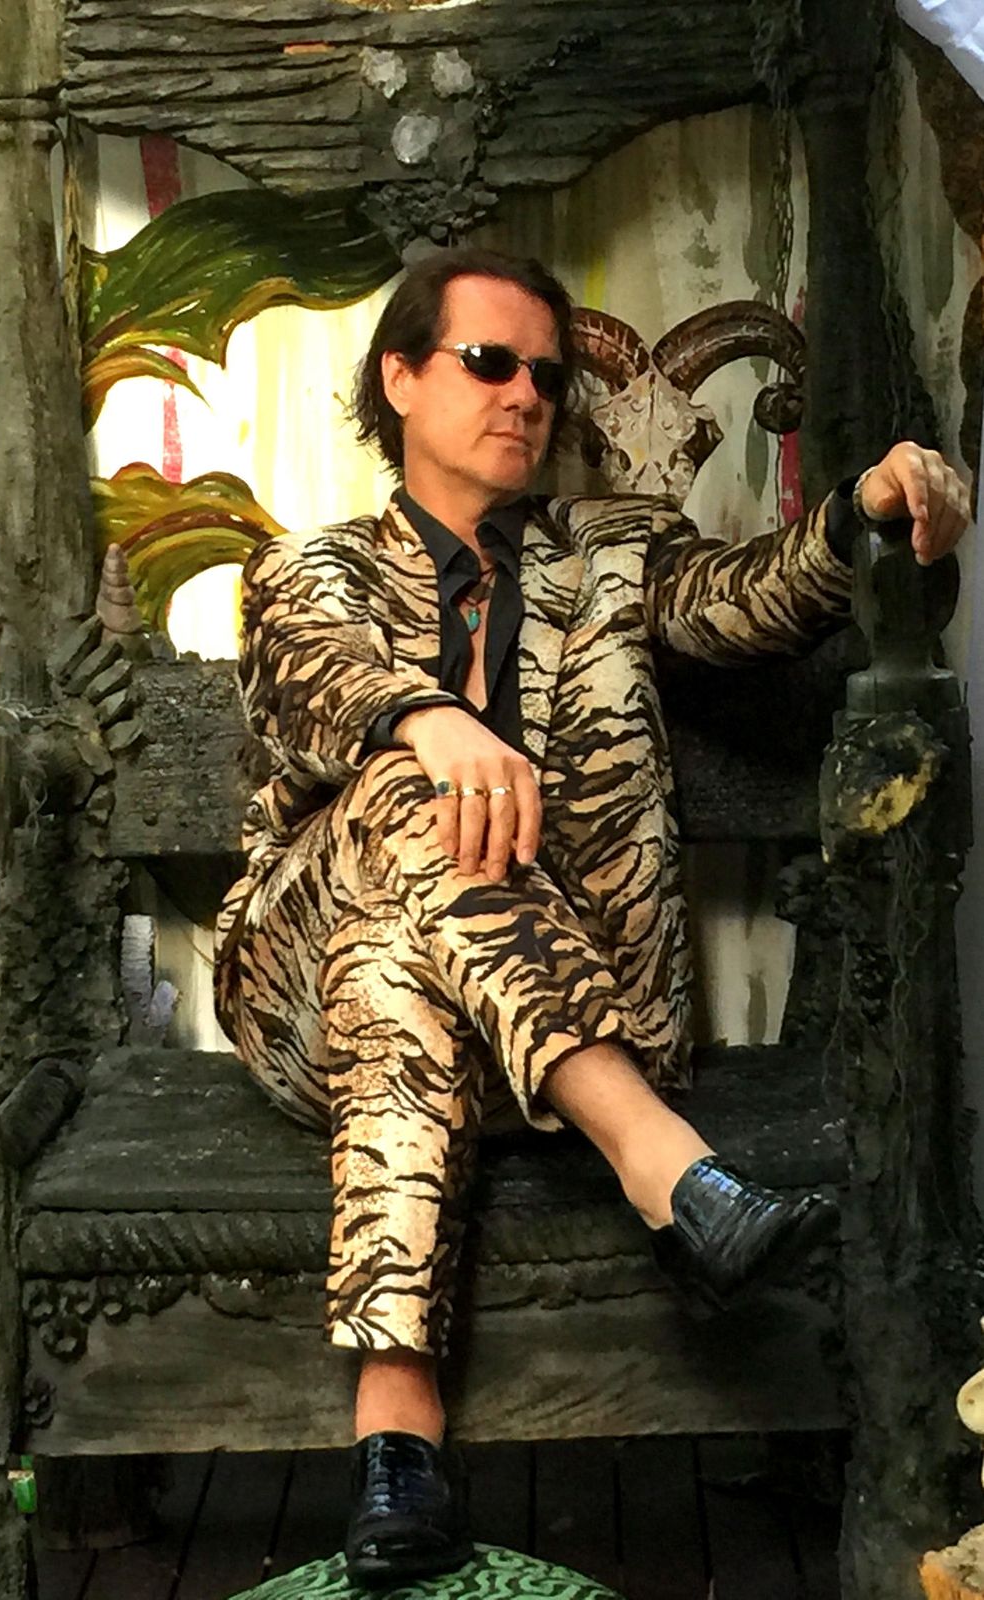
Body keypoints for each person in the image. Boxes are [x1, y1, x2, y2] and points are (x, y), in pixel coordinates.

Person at [213, 247, 971, 1588]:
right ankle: (667, 1169)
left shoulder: (615, 550)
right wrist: (432, 719)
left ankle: (396, 1443)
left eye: (545, 374)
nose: (525, 395)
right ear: (401, 378)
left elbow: (748, 597)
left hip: (542, 1019)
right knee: (402, 801)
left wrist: (863, 502)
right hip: (299, 997)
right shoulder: (307, 569)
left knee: (399, 969)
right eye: (487, 362)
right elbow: (320, 680)